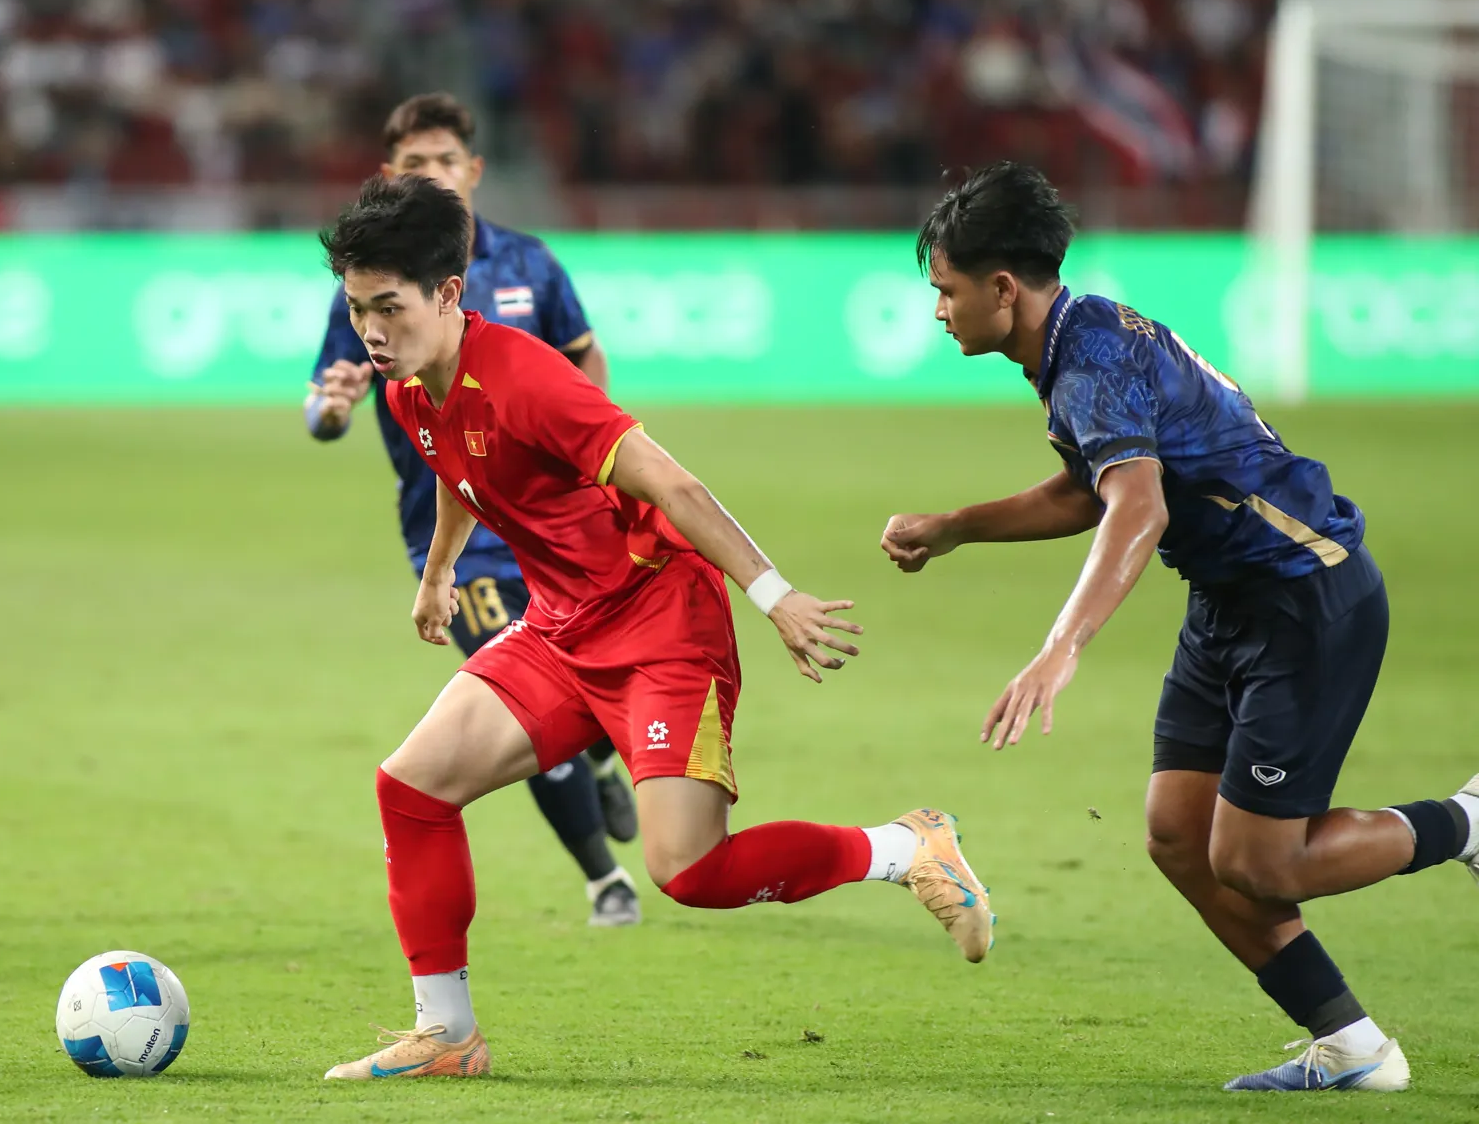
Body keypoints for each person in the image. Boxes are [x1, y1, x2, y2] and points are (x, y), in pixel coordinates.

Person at [319, 173, 994, 1081]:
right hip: (560, 630)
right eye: (356, 307)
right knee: (411, 788)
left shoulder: (528, 378)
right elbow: (458, 468)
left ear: (447, 292)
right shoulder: (407, 389)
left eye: (387, 307)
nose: (368, 330)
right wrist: (440, 574)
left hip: (661, 627)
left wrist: (774, 595)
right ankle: (447, 1033)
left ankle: (906, 847)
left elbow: (672, 483)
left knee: (688, 870)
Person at [883, 161, 1479, 1093]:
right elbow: (1093, 488)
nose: (937, 311)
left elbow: (1138, 505)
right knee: (1177, 833)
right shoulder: (1075, 340)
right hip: (1228, 600)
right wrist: (958, 526)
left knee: (1257, 860)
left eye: (945, 290)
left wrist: (1060, 647)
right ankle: (1353, 1046)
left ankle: (1466, 822)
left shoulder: (1088, 359)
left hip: (1304, 596)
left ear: (1001, 288)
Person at [308, 93, 641, 928]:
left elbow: (584, 358)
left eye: (445, 161)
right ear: (391, 174)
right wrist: (333, 409)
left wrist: (594, 450)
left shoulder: (530, 263)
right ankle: (605, 878)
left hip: (555, 525)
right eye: (414, 164)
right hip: (462, 534)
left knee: (582, 673)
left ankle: (602, 755)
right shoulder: (375, 280)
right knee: (512, 688)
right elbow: (323, 405)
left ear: (474, 169)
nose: (432, 175)